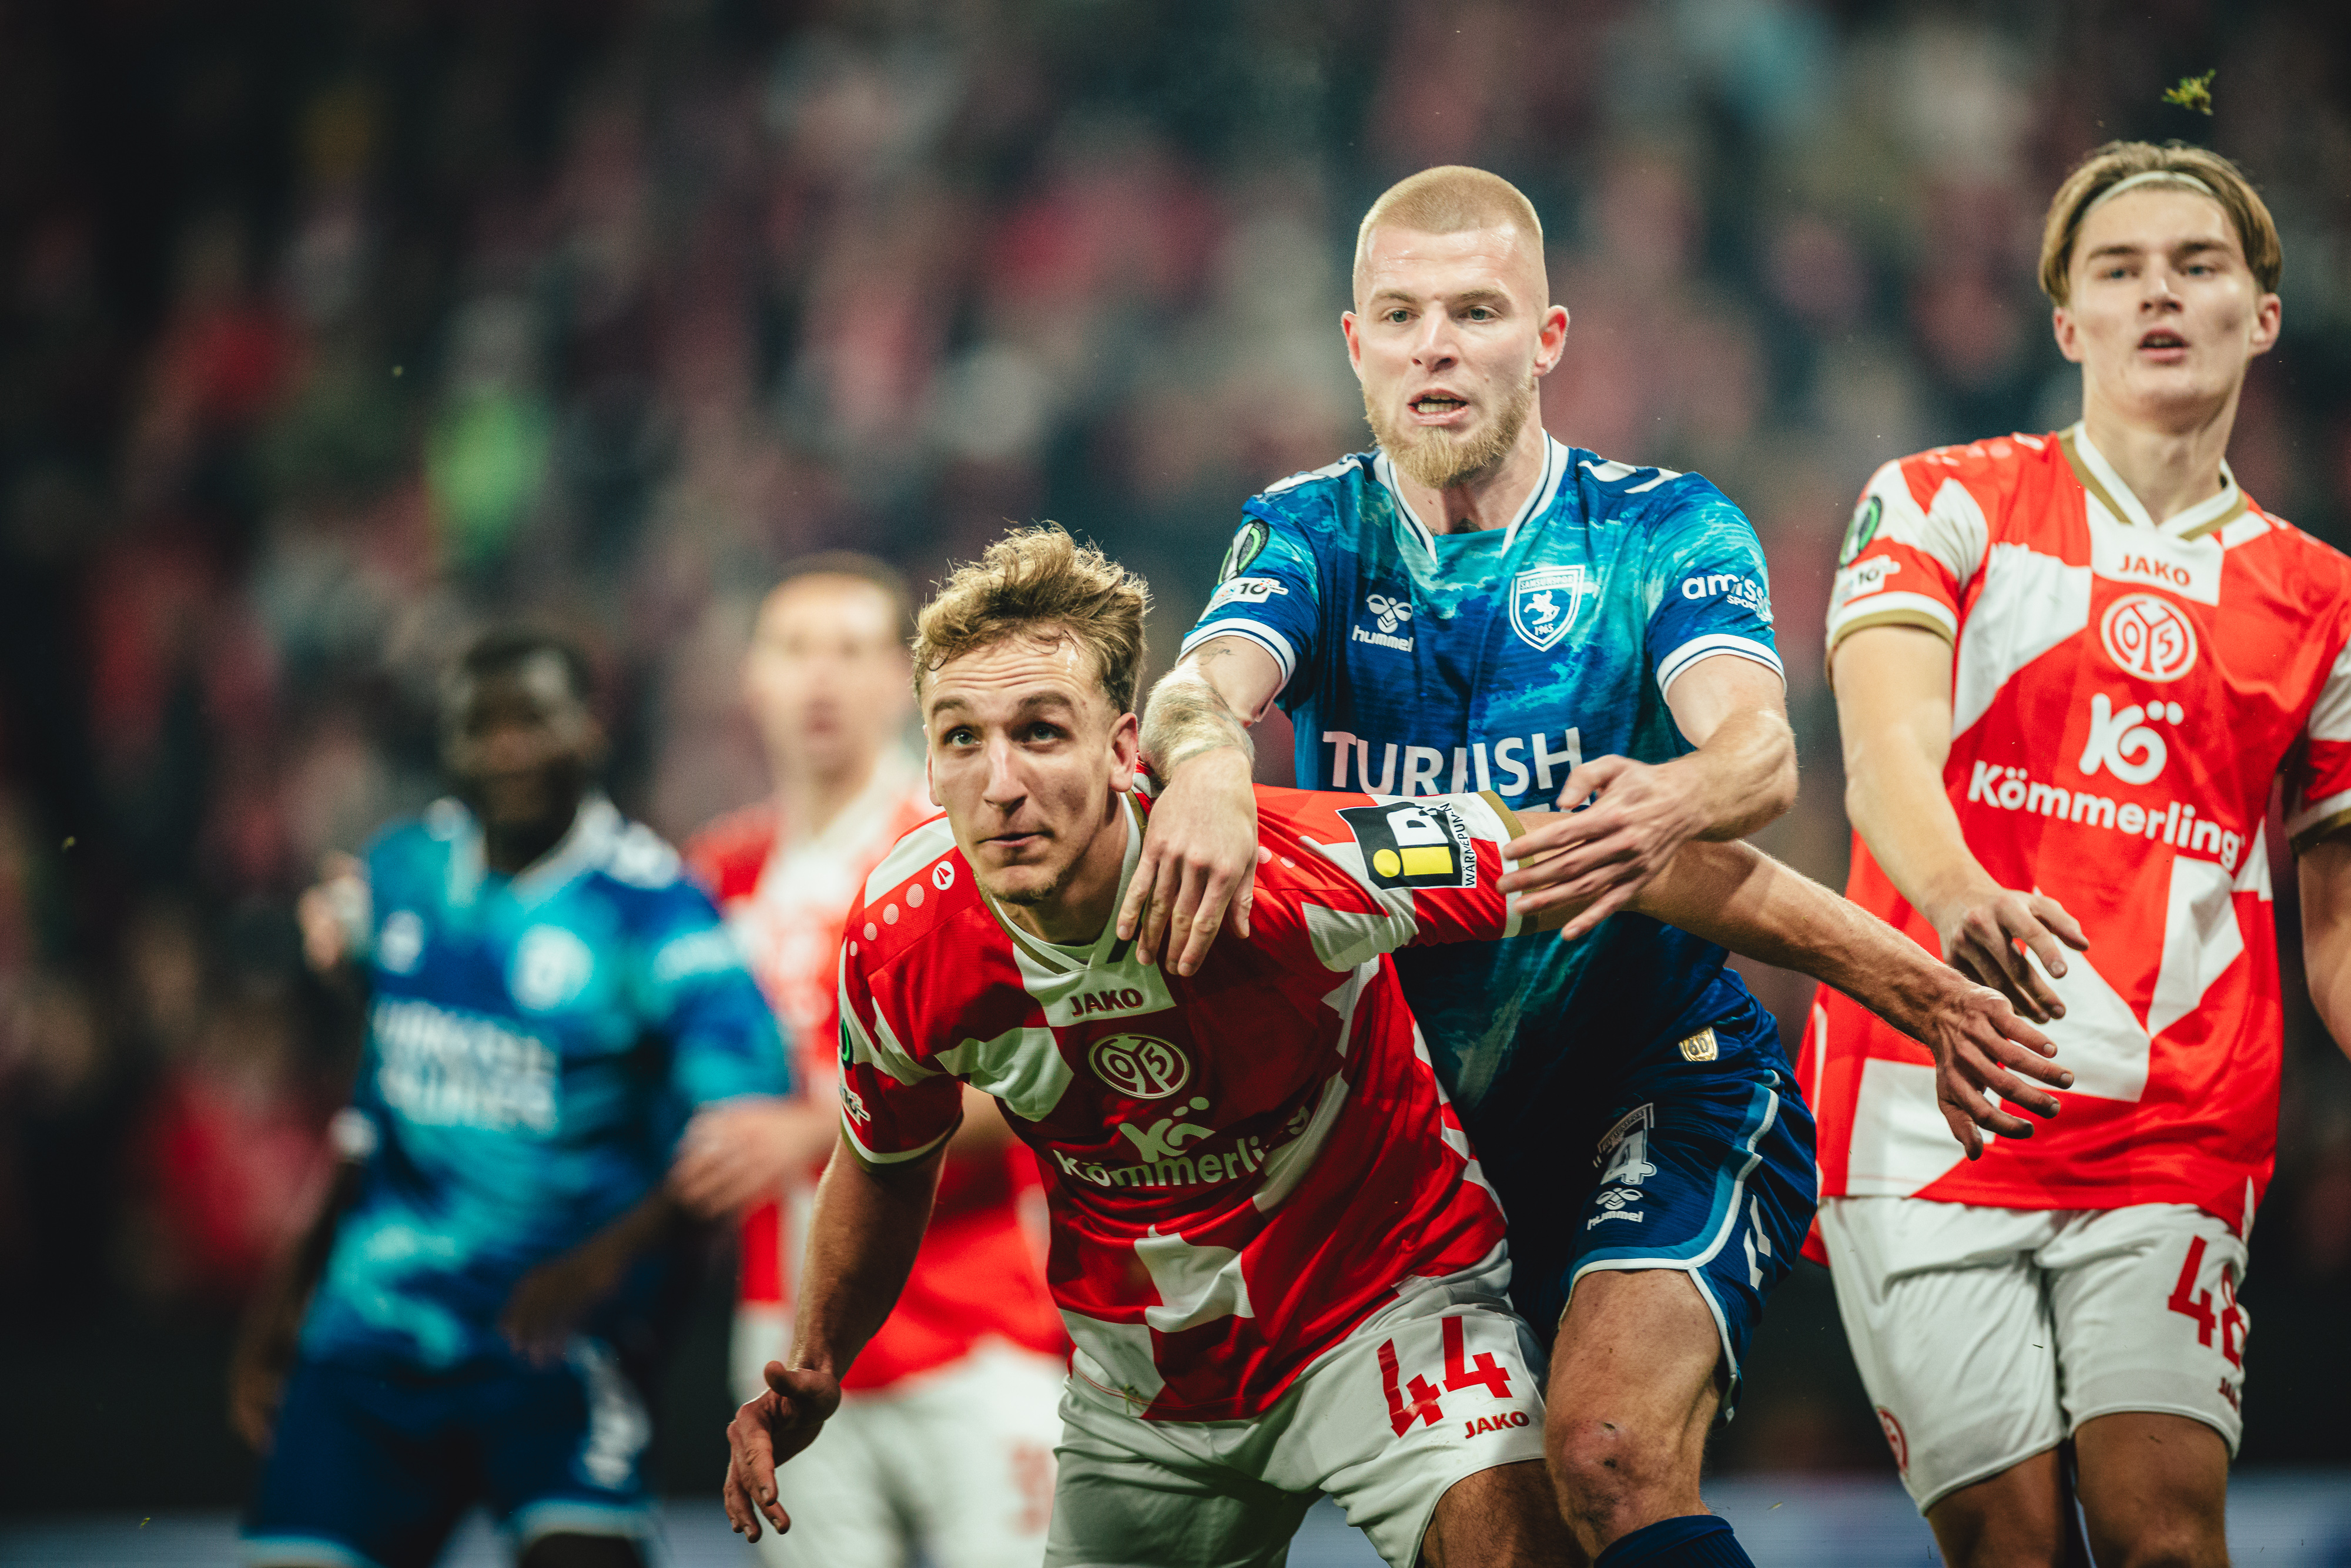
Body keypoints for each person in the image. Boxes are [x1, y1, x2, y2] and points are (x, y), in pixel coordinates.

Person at [722, 527, 2056, 1568]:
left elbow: (1644, 863)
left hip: (1387, 1313)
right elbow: (882, 1159)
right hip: (1144, 1388)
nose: (1001, 780)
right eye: (961, 739)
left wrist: (1922, 991)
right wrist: (818, 1360)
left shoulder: (1300, 863)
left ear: (1125, 747)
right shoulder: (899, 936)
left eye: (1039, 732)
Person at [1121, 166, 2057, 1567]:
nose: (1435, 347)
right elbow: (1198, 687)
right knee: (1497, 1540)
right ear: (1354, 344)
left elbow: (1758, 750)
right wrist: (1203, 764)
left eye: (1475, 311)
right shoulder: (1308, 529)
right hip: (1412, 1137)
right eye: (1400, 316)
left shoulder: (1657, 528)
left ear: (1547, 338)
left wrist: (1678, 791)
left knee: (1609, 1452)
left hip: (1657, 1078)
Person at [1804, 140, 2351, 1567]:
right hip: (1927, 1095)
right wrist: (1957, 896)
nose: (2156, 293)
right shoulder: (1937, 498)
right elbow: (1883, 755)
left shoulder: (2324, 602)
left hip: (2174, 1119)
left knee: (2166, 1533)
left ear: (2260, 313)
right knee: (2010, 1548)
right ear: (2067, 324)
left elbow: (2337, 929)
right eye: (2117, 270)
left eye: (2194, 264)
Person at [234, 629, 788, 1568]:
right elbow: (374, 1113)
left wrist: (607, 1266)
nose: (505, 750)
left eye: (531, 721)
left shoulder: (655, 910)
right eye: (478, 727)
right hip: (376, 1329)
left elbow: (742, 1127)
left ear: (590, 730)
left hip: (557, 1346)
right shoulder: (404, 870)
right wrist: (285, 1299)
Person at [675, 556, 1066, 1567]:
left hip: (979, 1330)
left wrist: (812, 1132)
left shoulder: (966, 851)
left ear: (903, 680)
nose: (821, 679)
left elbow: (1043, 1082)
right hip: (788, 1347)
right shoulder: (717, 876)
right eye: (795, 650)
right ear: (752, 679)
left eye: (850, 651)